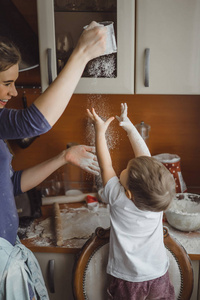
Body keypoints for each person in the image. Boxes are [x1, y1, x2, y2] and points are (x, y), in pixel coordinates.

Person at [0, 21, 107, 300]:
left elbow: (11, 183)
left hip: (7, 250)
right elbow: (32, 122)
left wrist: (64, 157)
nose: (12, 93)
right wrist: (81, 53)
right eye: (6, 83)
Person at [87, 103, 176, 300]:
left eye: (125, 170)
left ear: (128, 193)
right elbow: (145, 159)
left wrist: (100, 132)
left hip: (127, 281)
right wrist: (128, 127)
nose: (123, 169)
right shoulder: (156, 198)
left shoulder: (118, 199)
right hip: (158, 275)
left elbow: (105, 165)